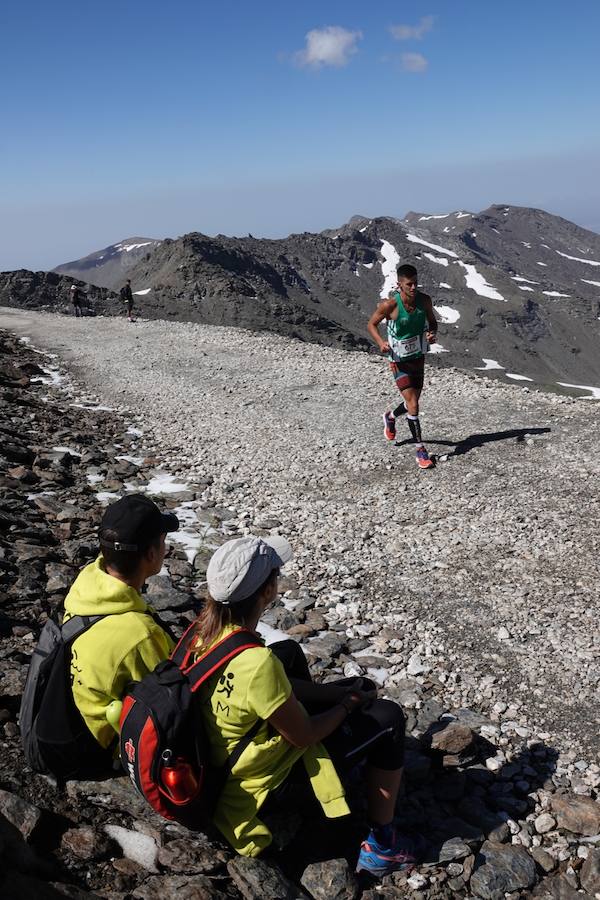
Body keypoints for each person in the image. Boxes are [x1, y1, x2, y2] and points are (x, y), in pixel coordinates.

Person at [193, 535, 418, 877]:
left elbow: (263, 688)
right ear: (267, 591)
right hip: (260, 785)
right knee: (388, 718)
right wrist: (347, 704)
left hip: (220, 754)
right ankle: (381, 845)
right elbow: (305, 735)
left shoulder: (204, 634)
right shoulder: (256, 665)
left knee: (287, 654)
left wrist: (333, 695)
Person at [62, 494, 179, 764]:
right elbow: (171, 701)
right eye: (162, 542)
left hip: (73, 714)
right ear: (151, 554)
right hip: (103, 746)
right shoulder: (139, 634)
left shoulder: (85, 585)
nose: (165, 548)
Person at [367, 264, 438, 469]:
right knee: (414, 404)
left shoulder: (424, 301)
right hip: (398, 360)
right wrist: (381, 342)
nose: (414, 287)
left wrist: (432, 333)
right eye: (409, 284)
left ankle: (390, 417)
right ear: (400, 284)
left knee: (411, 403)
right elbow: (371, 324)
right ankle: (420, 451)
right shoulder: (390, 305)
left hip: (418, 356)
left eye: (416, 282)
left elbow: (432, 322)